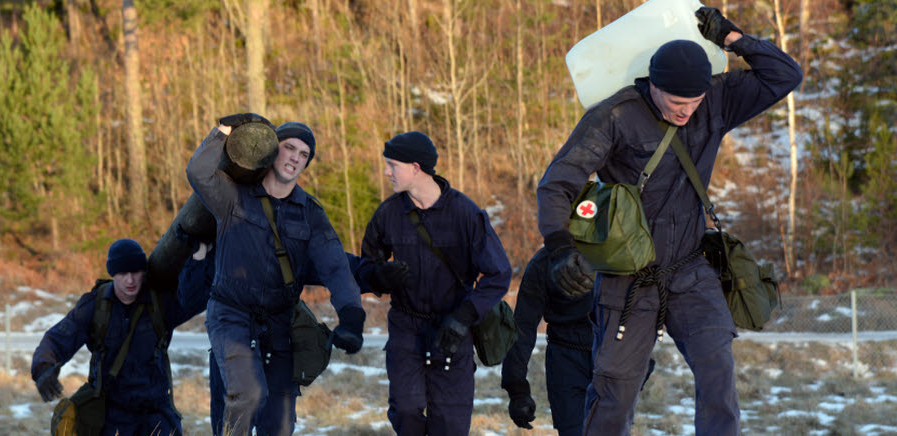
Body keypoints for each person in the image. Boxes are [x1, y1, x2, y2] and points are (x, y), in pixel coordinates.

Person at [535, 7, 802, 435]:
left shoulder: (714, 100)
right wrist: (560, 247)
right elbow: (556, 183)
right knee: (615, 391)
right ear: (653, 86)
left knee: (718, 369)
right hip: (628, 277)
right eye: (678, 103)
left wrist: (735, 40)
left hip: (690, 269)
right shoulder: (614, 116)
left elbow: (785, 75)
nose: (687, 112)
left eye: (694, 103)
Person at [185, 114, 366, 436]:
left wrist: (352, 316)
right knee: (248, 395)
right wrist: (224, 131)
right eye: (289, 148)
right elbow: (198, 172)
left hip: (281, 325)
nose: (295, 158)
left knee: (280, 423)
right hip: (231, 316)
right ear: (272, 149)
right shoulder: (234, 196)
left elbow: (335, 266)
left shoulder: (311, 213)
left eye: (303, 154)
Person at [357, 131, 512, 435]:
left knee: (450, 424)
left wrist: (464, 317)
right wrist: (378, 276)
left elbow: (498, 273)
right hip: (406, 328)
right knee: (405, 411)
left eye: (392, 165)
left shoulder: (465, 214)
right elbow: (365, 265)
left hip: (452, 330)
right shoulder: (388, 213)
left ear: (416, 167)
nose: (387, 172)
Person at [31, 238, 209, 435]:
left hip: (155, 414)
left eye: (136, 272)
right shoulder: (96, 305)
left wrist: (198, 257)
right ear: (113, 273)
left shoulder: (159, 302)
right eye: (123, 273)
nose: (130, 280)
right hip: (111, 415)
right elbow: (58, 338)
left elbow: (196, 298)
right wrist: (43, 368)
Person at [501, 247, 655, 435]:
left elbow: (644, 304)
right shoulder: (545, 261)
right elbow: (523, 327)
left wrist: (643, 358)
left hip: (612, 358)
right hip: (565, 362)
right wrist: (517, 389)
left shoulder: (619, 252)